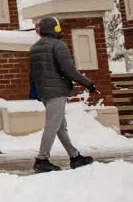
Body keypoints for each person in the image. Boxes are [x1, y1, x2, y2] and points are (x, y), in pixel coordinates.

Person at [29, 17, 96, 173]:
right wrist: (88, 83)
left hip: (44, 92)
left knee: (60, 126)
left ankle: (75, 156)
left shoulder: (34, 48)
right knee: (52, 126)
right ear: (56, 29)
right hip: (57, 91)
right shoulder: (58, 45)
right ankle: (42, 159)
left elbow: (32, 74)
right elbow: (69, 70)